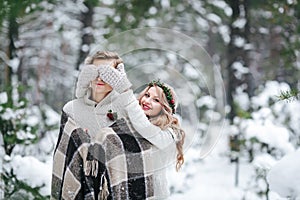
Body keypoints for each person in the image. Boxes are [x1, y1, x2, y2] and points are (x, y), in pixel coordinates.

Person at [51, 51, 185, 200]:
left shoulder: (169, 133)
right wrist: (81, 90)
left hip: (152, 194)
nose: (147, 101)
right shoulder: (134, 115)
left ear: (166, 108)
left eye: (157, 100)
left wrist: (124, 88)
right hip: (107, 187)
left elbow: (142, 130)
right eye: (147, 95)